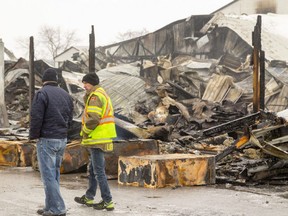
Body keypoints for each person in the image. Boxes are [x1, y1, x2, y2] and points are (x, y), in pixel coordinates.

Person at [29, 68, 74, 216]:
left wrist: (33, 136)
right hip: (61, 139)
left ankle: (58, 209)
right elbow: (71, 118)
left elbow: (36, 117)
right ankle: (50, 206)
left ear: (43, 80)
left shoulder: (42, 94)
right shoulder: (66, 95)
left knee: (48, 176)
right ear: (57, 80)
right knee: (54, 175)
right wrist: (64, 132)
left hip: (47, 139)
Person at [74, 72, 117, 211]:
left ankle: (107, 200)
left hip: (97, 138)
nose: (84, 86)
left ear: (92, 83)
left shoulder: (95, 96)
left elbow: (93, 119)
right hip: (99, 138)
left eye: (85, 83)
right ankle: (89, 196)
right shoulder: (100, 94)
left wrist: (85, 132)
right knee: (92, 170)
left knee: (98, 171)